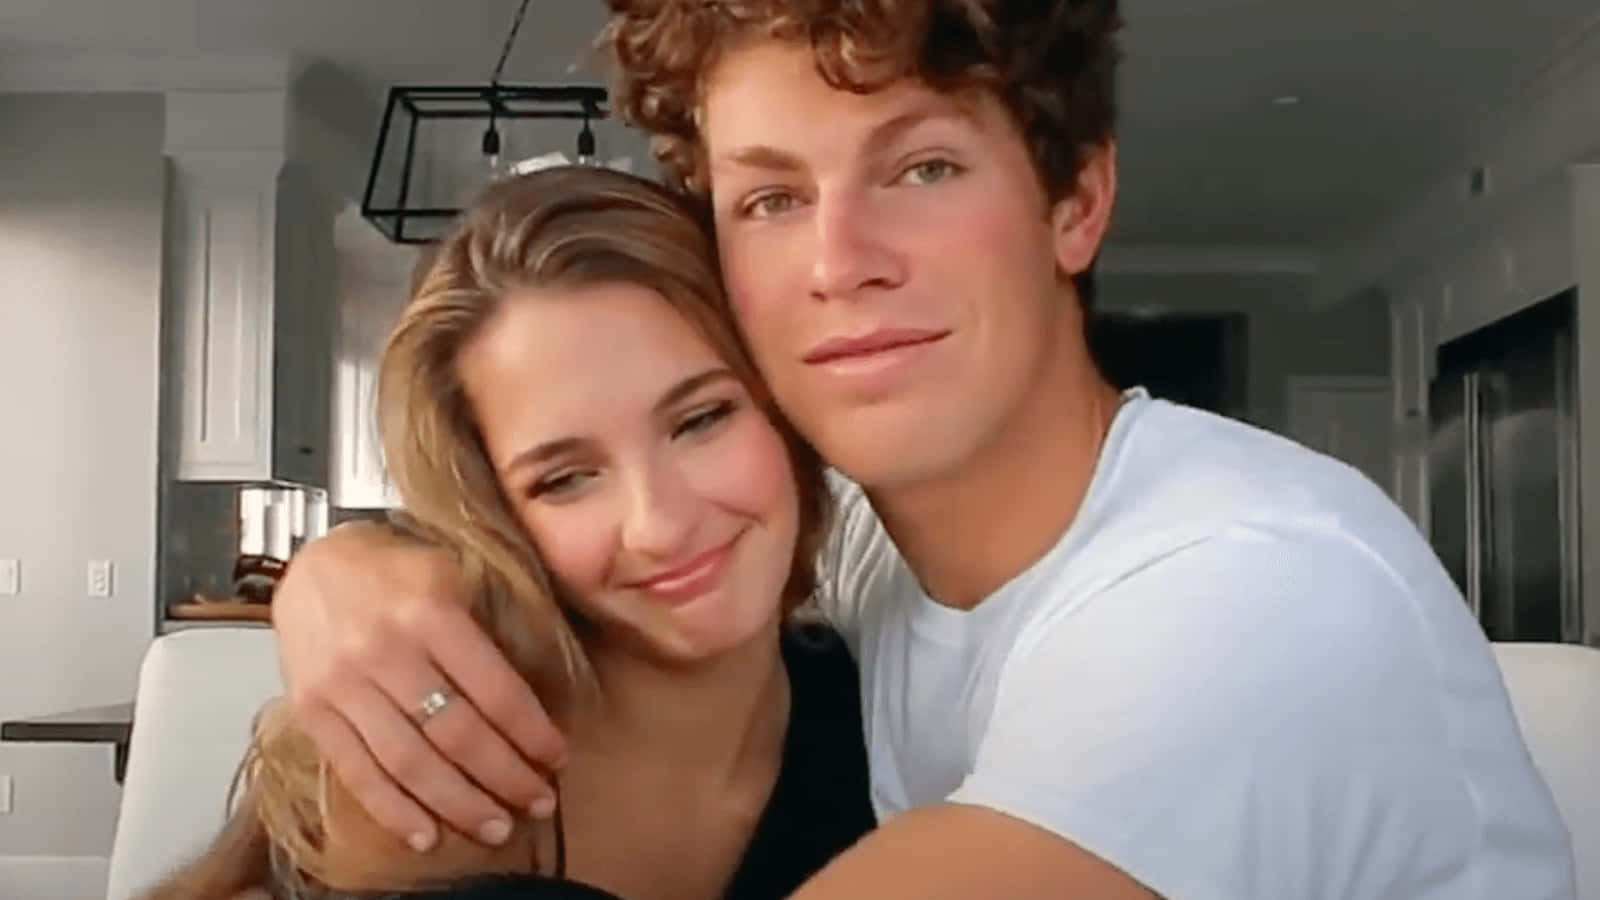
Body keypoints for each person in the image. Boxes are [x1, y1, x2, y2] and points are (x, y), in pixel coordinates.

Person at [272, 1, 1578, 897]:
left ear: (1076, 203)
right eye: (774, 197)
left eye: (924, 170)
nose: (841, 264)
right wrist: (358, 570)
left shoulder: (1254, 590)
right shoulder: (861, 553)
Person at [144, 167, 873, 900]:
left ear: (783, 398)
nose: (660, 524)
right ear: (496, 514)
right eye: (564, 479)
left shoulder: (889, 709)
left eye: (702, 419)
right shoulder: (427, 777)